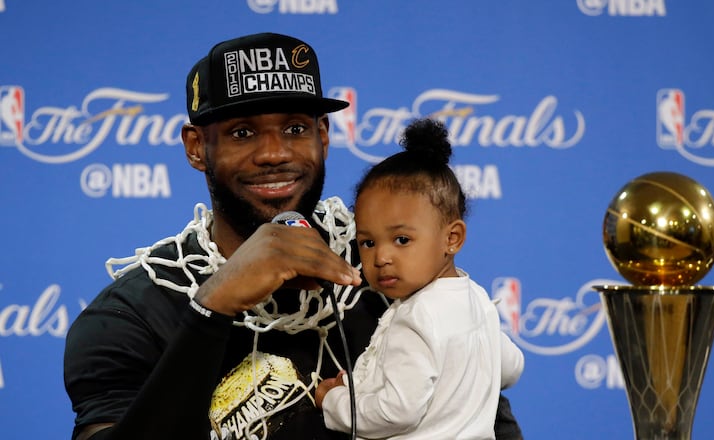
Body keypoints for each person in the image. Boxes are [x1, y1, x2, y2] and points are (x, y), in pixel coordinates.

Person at [63, 32, 524, 440]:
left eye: (296, 128)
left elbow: (484, 423)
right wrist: (213, 307)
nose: (274, 153)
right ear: (197, 147)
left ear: (323, 136)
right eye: (242, 132)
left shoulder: (394, 270)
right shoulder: (129, 315)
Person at [314, 118, 524, 439]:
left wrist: (335, 401)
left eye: (401, 240)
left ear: (452, 238)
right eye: (368, 243)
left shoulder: (415, 317)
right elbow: (511, 367)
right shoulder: (478, 299)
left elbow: (395, 412)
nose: (381, 257)